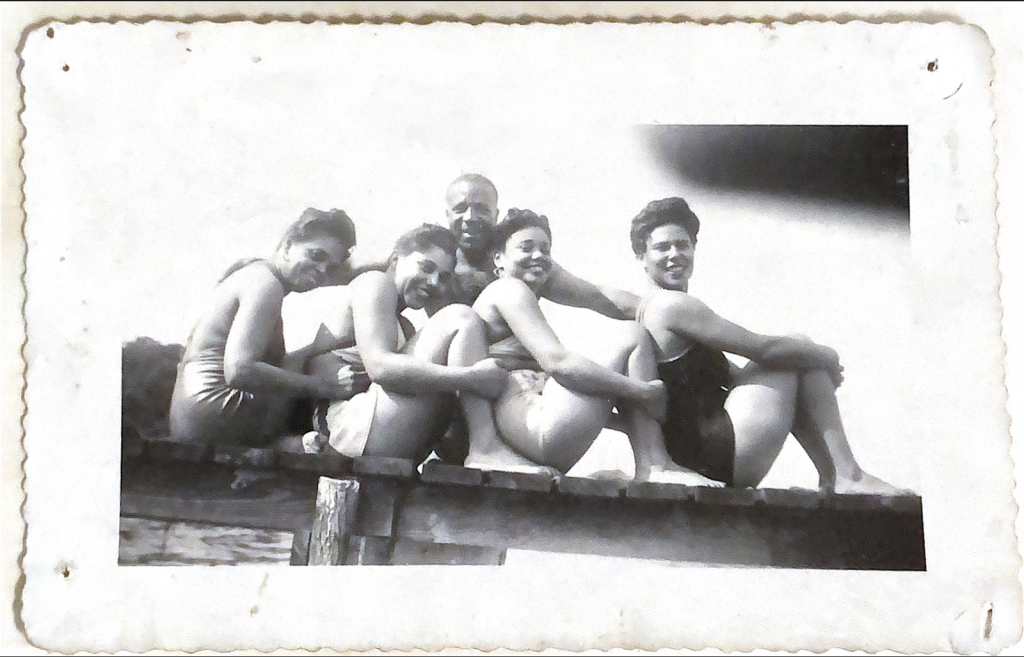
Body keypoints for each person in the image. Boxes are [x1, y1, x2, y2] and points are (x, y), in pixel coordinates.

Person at [630, 197, 906, 494]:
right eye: (662, 247)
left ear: (694, 249)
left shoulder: (652, 309)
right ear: (642, 257)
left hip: (703, 453)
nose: (675, 254)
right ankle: (845, 475)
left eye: (682, 245)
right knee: (796, 347)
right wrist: (827, 357)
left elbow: (734, 378)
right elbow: (765, 350)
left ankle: (837, 476)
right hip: (712, 454)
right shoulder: (671, 305)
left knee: (796, 355)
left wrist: (809, 370)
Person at [466, 208, 722, 484]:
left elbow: (601, 298)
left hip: (531, 429)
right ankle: (654, 464)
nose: (538, 256)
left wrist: (628, 418)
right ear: (499, 259)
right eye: (526, 248)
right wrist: (642, 392)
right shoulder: (508, 290)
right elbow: (558, 363)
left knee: (617, 350)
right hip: (533, 428)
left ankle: (654, 461)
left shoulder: (519, 299)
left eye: (545, 249)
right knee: (630, 336)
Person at [301, 224, 509, 461]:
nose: (433, 282)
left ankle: (484, 449)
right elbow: (380, 368)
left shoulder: (404, 325)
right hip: (349, 432)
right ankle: (486, 448)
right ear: (395, 259)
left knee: (445, 363)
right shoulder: (375, 283)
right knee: (460, 317)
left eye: (443, 277)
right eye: (426, 267)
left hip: (373, 433)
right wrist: (471, 377)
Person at [169, 208, 362, 447]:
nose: (323, 270)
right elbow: (240, 369)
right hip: (218, 414)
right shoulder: (266, 285)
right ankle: (299, 443)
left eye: (330, 267)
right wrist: (323, 387)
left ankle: (289, 443)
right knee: (323, 349)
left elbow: (337, 274)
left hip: (189, 421)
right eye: (316, 256)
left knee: (306, 353)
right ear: (288, 245)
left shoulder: (254, 274)